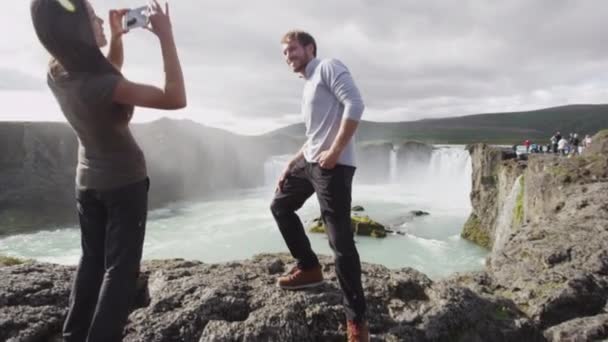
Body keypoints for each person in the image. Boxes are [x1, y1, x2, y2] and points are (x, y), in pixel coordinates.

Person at [30, 0, 186, 341]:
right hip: (124, 184)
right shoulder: (99, 85)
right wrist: (166, 37)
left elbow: (105, 77)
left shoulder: (58, 72)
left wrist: (116, 38)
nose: (101, 19)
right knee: (120, 270)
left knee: (91, 261)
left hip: (87, 183)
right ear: (78, 31)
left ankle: (74, 335)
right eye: (92, 16)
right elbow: (175, 98)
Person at [270, 30, 368, 341]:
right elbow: (316, 135)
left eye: (294, 49)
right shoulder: (308, 84)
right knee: (280, 205)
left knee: (340, 242)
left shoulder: (328, 67)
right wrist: (292, 161)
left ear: (310, 47)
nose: (289, 56)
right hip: (311, 161)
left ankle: (357, 322)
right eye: (285, 53)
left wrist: (336, 151)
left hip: (334, 166)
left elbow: (355, 104)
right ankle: (309, 268)